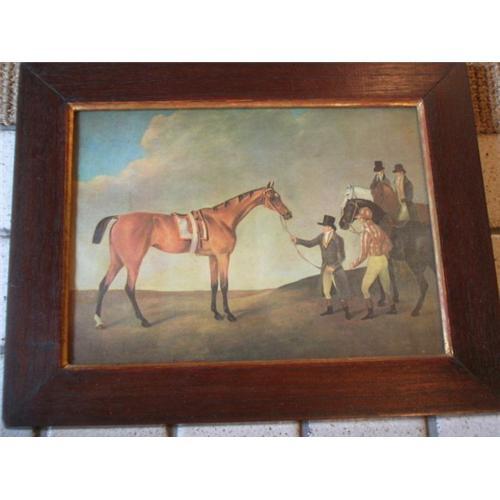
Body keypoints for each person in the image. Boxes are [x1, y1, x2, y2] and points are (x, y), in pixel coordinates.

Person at [292, 215, 352, 319]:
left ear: (330, 227)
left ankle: (347, 311)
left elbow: (342, 257)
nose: (323, 228)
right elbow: (310, 243)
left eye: (324, 226)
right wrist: (297, 240)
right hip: (325, 268)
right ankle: (329, 309)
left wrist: (333, 267)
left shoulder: (338, 239)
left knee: (341, 292)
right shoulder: (321, 237)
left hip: (336, 269)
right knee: (326, 291)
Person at [351, 207, 397, 319]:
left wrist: (354, 264)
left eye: (359, 218)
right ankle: (393, 308)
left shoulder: (365, 233)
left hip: (374, 261)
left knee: (364, 288)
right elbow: (389, 245)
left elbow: (364, 254)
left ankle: (370, 312)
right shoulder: (378, 228)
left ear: (363, 219)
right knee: (386, 286)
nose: (358, 220)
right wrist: (382, 251)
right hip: (383, 259)